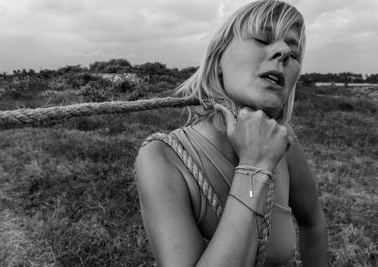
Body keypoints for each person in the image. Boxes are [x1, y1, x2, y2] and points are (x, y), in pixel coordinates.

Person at [135, 0, 328, 266]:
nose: (283, 51)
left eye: (293, 53)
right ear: (218, 61)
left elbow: (313, 222)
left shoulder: (284, 140)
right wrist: (254, 166)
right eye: (262, 38)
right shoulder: (162, 156)